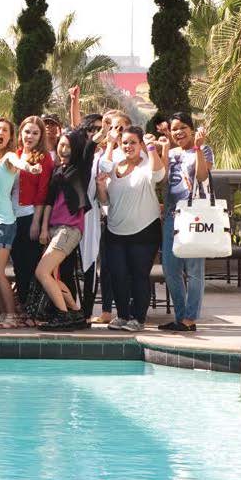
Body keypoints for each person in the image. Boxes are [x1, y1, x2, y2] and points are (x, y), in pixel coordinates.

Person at [95, 126, 166, 332]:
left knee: (139, 275)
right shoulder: (114, 165)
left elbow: (159, 174)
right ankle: (123, 315)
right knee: (117, 274)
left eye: (133, 142)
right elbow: (106, 199)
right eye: (125, 142)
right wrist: (101, 186)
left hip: (144, 231)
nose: (128, 146)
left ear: (141, 144)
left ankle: (138, 318)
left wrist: (151, 147)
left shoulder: (147, 164)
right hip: (116, 230)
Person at [0, 117, 42, 328]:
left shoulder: (9, 157)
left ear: (10, 136)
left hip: (3, 222)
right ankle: (4, 314)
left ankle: (11, 315)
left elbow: (19, 163)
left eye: (4, 130)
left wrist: (30, 168)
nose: (0, 133)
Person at [35, 128, 98, 331]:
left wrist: (103, 131)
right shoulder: (57, 170)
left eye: (68, 145)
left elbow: (90, 147)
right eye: (61, 144)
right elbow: (49, 201)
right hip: (54, 228)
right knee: (53, 276)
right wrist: (44, 228)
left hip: (69, 229)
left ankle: (63, 315)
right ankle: (75, 312)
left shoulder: (80, 168)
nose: (63, 149)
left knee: (42, 271)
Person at [160, 112, 213, 332]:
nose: (179, 132)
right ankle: (180, 316)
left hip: (194, 215)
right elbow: (162, 177)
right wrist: (163, 145)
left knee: (193, 271)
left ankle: (190, 318)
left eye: (183, 127)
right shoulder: (171, 153)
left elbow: (201, 176)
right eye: (174, 129)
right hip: (172, 215)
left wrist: (199, 148)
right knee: (170, 269)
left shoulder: (205, 150)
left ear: (192, 129)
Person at [11, 115, 54, 325]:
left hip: (30, 216)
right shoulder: (14, 155)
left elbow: (43, 194)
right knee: (18, 265)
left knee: (29, 265)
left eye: (35, 133)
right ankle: (21, 308)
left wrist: (38, 223)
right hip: (11, 217)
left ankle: (32, 311)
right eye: (27, 132)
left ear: (41, 136)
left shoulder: (44, 159)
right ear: (20, 132)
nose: (30, 136)